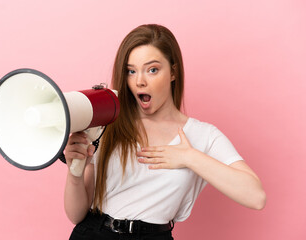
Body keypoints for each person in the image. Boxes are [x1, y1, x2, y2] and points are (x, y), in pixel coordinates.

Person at [64, 24, 266, 240]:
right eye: (131, 71)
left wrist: (189, 157)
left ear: (173, 72)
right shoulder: (109, 124)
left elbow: (256, 197)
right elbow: (76, 215)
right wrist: (75, 172)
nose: (140, 81)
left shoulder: (203, 135)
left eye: (152, 70)